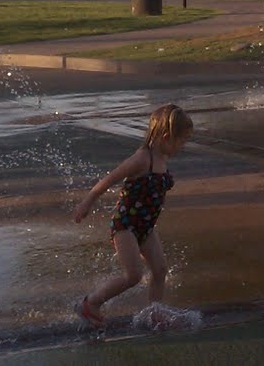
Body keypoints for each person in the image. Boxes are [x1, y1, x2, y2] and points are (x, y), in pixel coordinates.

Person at [73, 103, 194, 327]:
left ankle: (154, 311)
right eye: (181, 141)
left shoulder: (162, 160)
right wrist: (86, 202)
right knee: (133, 276)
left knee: (160, 270)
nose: (182, 147)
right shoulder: (142, 159)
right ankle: (90, 304)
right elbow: (109, 180)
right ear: (166, 136)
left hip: (146, 227)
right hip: (126, 225)